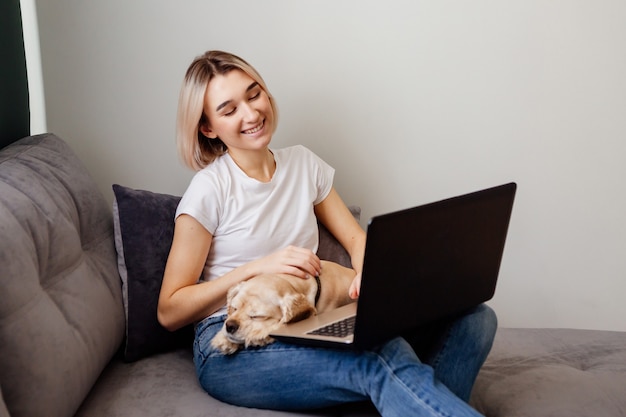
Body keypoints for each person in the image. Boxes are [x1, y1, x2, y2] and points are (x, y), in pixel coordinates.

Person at [157, 50, 497, 417]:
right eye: (229, 110)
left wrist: (371, 276)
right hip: (231, 344)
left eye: (254, 94)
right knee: (379, 357)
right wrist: (260, 267)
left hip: (308, 322)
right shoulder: (209, 188)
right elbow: (170, 309)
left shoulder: (304, 164)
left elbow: (355, 240)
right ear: (208, 127)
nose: (252, 114)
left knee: (475, 319)